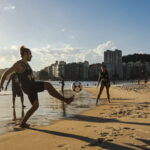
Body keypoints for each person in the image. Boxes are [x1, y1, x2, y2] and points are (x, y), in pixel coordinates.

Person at [0, 46, 74, 128]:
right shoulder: (19, 64)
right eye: (30, 54)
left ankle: (23, 123)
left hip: (31, 86)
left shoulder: (26, 64)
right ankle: (66, 100)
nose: (31, 56)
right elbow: (6, 73)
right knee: (48, 85)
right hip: (29, 86)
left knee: (35, 106)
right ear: (25, 54)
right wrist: (1, 84)